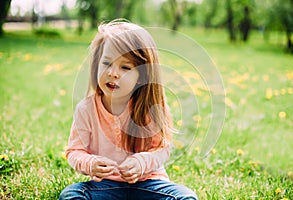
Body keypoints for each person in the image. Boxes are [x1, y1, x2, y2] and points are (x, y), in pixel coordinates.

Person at [59, 20, 198, 200]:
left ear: (142, 75)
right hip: (106, 185)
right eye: (107, 63)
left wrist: (141, 163)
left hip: (148, 183)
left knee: (185, 197)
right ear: (96, 65)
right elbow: (74, 151)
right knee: (72, 195)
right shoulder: (86, 109)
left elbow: (162, 149)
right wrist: (90, 163)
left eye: (125, 67)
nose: (113, 73)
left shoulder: (150, 107)